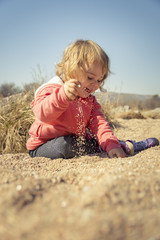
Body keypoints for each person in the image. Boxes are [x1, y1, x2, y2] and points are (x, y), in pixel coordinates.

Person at [26, 40, 159, 159]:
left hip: (76, 142)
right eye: (90, 78)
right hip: (42, 146)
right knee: (64, 146)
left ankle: (115, 145)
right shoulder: (52, 89)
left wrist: (111, 145)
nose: (95, 84)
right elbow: (43, 114)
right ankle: (107, 146)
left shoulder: (89, 101)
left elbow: (99, 124)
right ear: (69, 69)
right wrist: (63, 96)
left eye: (99, 80)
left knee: (82, 142)